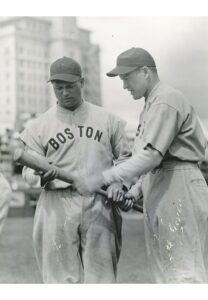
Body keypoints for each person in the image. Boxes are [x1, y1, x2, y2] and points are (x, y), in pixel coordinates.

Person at [74, 47, 208, 283]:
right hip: (162, 181)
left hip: (179, 182)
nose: (124, 85)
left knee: (183, 273)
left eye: (127, 77)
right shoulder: (151, 103)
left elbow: (151, 157)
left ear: (145, 71)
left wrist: (102, 178)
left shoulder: (166, 99)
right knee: (166, 272)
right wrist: (134, 191)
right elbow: (151, 160)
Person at [19, 56, 132, 283]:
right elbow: (27, 174)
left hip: (99, 202)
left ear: (82, 82)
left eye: (70, 86)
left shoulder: (108, 120)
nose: (64, 93)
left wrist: (121, 183)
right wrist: (40, 175)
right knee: (60, 280)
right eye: (58, 88)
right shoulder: (38, 126)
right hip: (56, 202)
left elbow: (127, 159)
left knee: (102, 279)